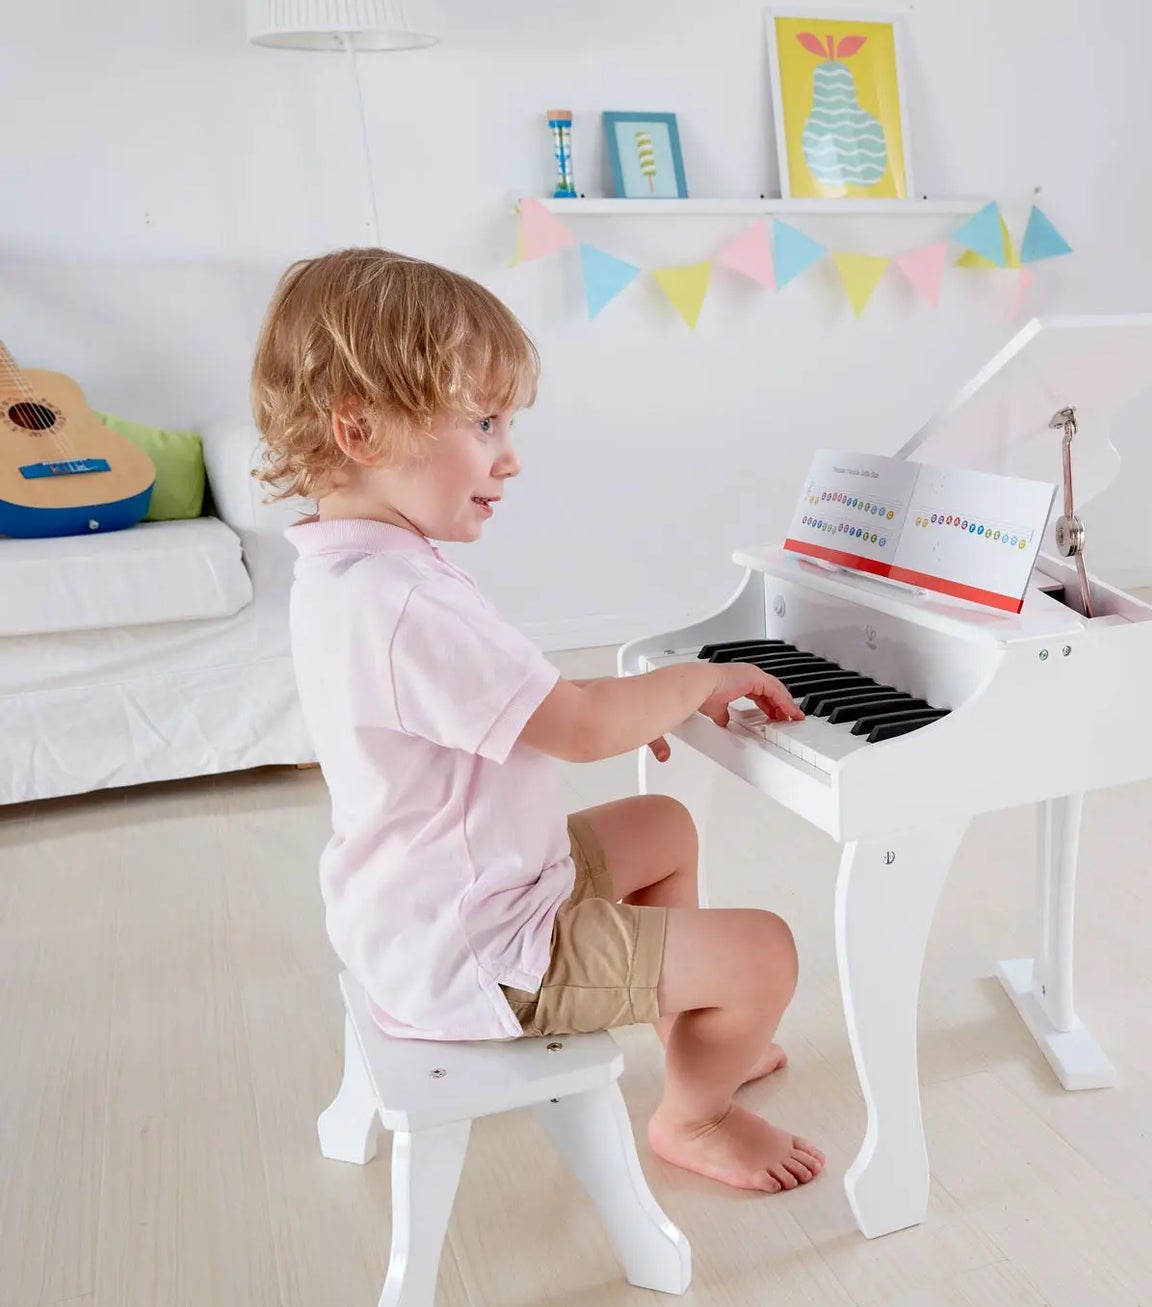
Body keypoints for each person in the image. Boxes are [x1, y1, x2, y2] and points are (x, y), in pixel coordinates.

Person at [250, 247, 825, 1193]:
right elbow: (583, 725)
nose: (509, 454)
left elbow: (514, 708)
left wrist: (614, 707)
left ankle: (693, 1029)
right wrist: (693, 679)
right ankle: (696, 1113)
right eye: (483, 422)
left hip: (430, 906)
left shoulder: (350, 570)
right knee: (766, 949)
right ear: (359, 430)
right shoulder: (403, 604)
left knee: (663, 826)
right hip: (484, 954)